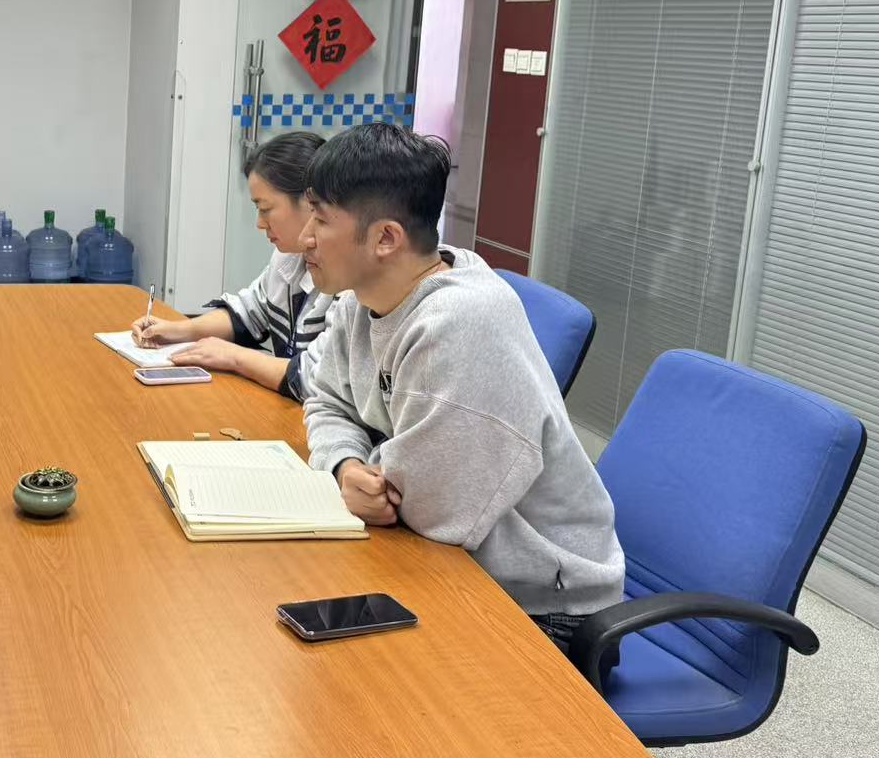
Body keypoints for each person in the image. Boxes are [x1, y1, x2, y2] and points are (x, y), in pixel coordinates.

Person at [296, 122, 624, 667]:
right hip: (453, 559)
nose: (304, 237)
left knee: (348, 678)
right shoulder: (362, 297)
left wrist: (367, 482)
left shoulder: (460, 323)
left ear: (385, 239)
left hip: (542, 607)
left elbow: (426, 512)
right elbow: (327, 399)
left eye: (321, 219)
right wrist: (344, 465)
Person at [129, 133, 333, 400]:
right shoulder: (288, 258)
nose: (260, 223)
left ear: (310, 204)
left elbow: (318, 378)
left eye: (265, 209)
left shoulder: (347, 280)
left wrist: (235, 357)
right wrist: (177, 331)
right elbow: (249, 314)